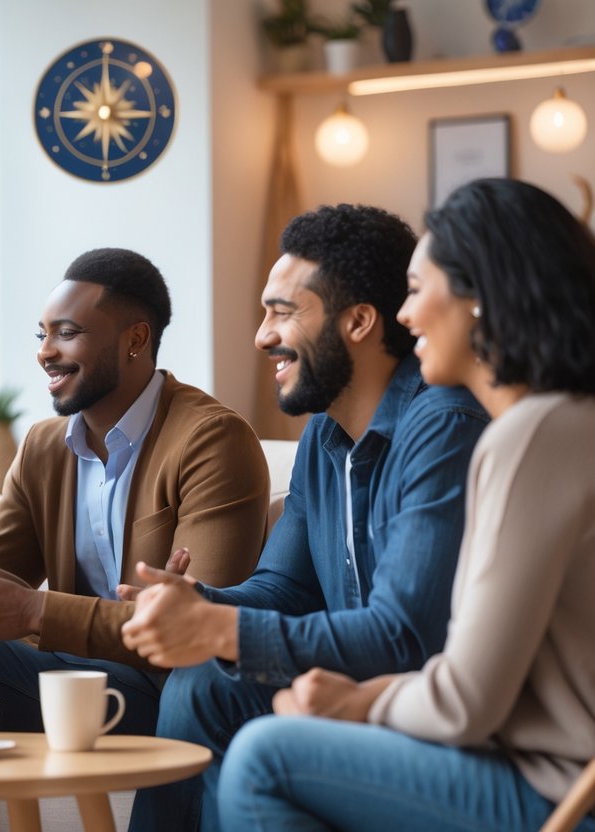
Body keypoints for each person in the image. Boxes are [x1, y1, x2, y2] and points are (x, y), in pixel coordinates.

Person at [216, 178, 595, 832]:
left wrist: (360, 702)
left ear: (480, 298)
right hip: (532, 765)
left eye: (417, 291)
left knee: (264, 758)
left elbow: (465, 702)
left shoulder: (530, 436)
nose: (405, 315)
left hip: (561, 790)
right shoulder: (559, 424)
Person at [121, 204, 490, 831]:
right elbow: (285, 588)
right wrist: (199, 602)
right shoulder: (325, 435)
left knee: (214, 676)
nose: (262, 336)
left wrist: (219, 628)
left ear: (359, 322)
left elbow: (407, 637)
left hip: (431, 714)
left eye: (282, 312)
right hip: (353, 689)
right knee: (204, 680)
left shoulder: (444, 426)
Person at [0, 247, 271, 738]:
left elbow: (200, 628)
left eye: (67, 333)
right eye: (42, 334)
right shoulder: (44, 446)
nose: (45, 352)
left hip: (170, 689)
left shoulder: (212, 440)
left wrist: (32, 610)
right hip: (72, 675)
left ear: (135, 339)